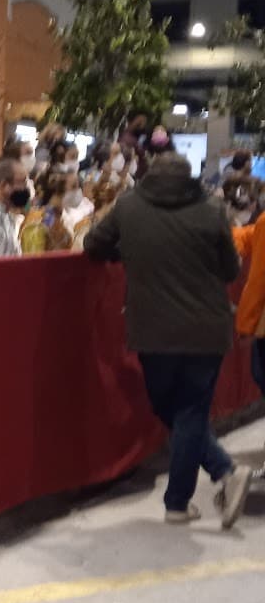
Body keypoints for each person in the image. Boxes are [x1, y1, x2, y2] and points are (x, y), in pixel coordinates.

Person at [84, 150, 250, 527]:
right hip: (207, 330)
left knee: (167, 406)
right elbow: (230, 269)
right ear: (189, 177)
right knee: (189, 410)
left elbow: (93, 245)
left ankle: (181, 499)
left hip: (152, 331)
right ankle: (223, 472)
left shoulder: (128, 207)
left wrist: (126, 252)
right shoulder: (211, 211)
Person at [19, 170, 75, 255]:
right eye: (74, 187)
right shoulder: (35, 221)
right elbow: (33, 262)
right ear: (57, 192)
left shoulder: (65, 219)